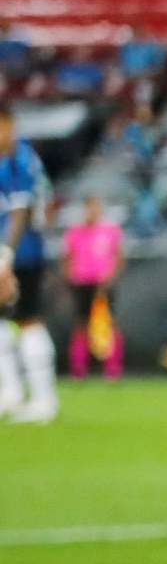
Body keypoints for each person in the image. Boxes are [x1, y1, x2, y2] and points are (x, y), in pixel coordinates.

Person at [0, 104, 59, 425]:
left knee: (28, 320)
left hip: (23, 253)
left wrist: (6, 256)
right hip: (7, 251)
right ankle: (10, 392)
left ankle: (44, 398)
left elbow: (21, 211)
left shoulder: (21, 159)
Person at [62, 194, 125, 382]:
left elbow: (119, 256)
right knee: (81, 324)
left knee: (109, 324)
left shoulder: (110, 231)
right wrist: (70, 276)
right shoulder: (75, 232)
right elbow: (67, 257)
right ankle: (78, 369)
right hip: (82, 283)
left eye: (95, 207)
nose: (92, 211)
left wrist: (111, 277)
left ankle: (112, 369)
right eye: (89, 207)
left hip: (103, 283)